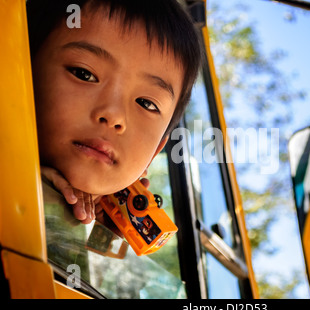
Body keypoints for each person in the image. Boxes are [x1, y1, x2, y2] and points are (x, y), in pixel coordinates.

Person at [27, 0, 201, 224]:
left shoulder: (105, 229)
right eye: (84, 73)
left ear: (155, 152)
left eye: (146, 103)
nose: (113, 115)